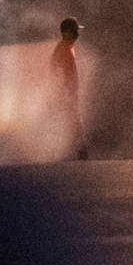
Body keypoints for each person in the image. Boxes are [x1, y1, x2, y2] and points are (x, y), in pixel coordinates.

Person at [51, 16, 87, 160]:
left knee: (73, 127)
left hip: (68, 96)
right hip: (66, 96)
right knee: (73, 127)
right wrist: (65, 94)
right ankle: (80, 158)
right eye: (75, 31)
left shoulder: (67, 48)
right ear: (67, 32)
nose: (77, 35)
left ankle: (79, 157)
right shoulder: (63, 50)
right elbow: (57, 75)